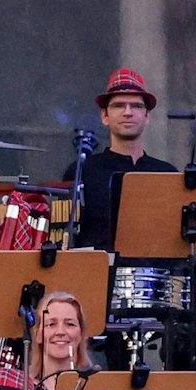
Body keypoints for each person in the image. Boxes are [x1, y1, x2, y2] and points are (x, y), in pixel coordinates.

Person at [62, 69, 174, 252]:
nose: (128, 112)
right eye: (119, 105)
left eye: (136, 106)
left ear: (147, 116)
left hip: (156, 277)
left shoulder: (167, 174)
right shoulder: (82, 171)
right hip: (96, 275)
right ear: (104, 116)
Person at [25, 291, 93, 387]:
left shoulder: (101, 388)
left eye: (70, 324)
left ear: (81, 333)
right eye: (51, 324)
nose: (60, 332)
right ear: (38, 335)